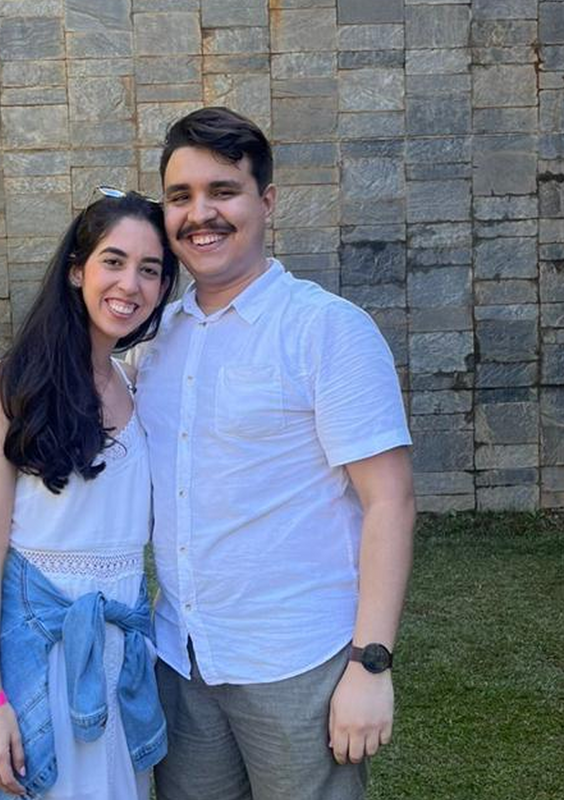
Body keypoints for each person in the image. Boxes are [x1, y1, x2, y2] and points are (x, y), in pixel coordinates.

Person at [129, 107, 416, 800]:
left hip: (297, 661)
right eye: (180, 196)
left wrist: (370, 665)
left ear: (266, 201)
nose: (201, 214)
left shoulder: (327, 330)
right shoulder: (155, 339)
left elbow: (391, 502)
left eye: (223, 191)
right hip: (183, 657)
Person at [0, 189, 178, 800]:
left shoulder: (138, 383)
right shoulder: (13, 382)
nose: (130, 284)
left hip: (118, 655)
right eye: (113, 261)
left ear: (164, 286)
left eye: (149, 269)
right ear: (77, 270)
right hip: (38, 651)